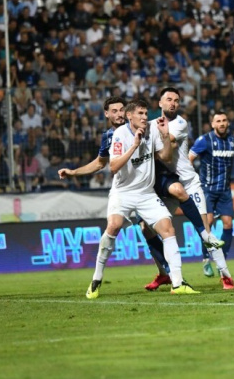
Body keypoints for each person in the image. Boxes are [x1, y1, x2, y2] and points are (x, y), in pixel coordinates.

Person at [57, 96, 177, 295]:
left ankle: (169, 272)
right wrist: (74, 172)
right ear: (106, 114)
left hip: (148, 187)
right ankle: (99, 279)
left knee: (153, 228)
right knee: (123, 227)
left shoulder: (143, 127)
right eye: (114, 111)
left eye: (122, 110)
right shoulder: (110, 136)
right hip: (124, 191)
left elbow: (163, 150)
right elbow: (100, 163)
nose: (119, 114)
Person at [89, 98, 198, 297]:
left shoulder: (153, 129)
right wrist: (134, 146)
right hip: (123, 192)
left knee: (168, 229)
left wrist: (165, 136)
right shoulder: (119, 135)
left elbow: (166, 157)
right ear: (129, 116)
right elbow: (113, 167)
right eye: (140, 113)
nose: (144, 117)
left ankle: (177, 283)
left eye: (146, 113)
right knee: (113, 226)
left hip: (146, 193)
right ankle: (96, 279)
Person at [145, 87, 231, 291]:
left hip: (188, 183)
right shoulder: (151, 125)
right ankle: (164, 273)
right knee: (147, 229)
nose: (173, 103)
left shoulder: (180, 123)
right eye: (169, 99)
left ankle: (225, 274)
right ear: (160, 103)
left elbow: (168, 147)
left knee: (205, 230)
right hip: (167, 185)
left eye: (176, 100)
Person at [189, 110, 234, 275]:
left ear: (228, 123)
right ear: (212, 124)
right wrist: (191, 180)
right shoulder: (204, 140)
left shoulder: (233, 141)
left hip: (225, 190)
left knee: (228, 224)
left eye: (224, 120)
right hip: (207, 190)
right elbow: (189, 158)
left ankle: (221, 261)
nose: (222, 123)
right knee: (208, 223)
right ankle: (205, 259)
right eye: (218, 121)